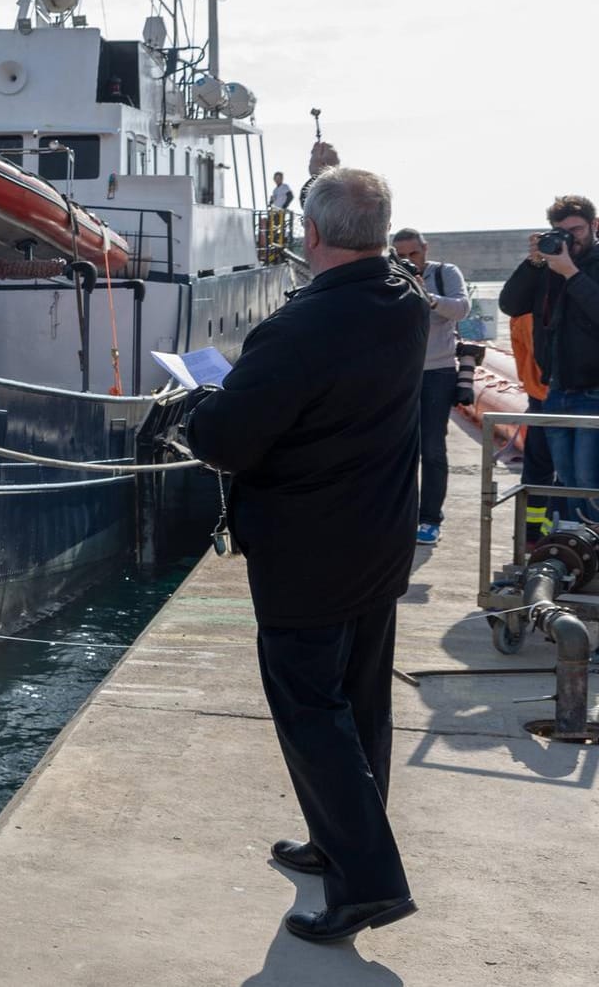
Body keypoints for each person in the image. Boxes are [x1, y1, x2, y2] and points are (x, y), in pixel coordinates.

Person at [184, 167, 423, 943]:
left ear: (309, 234)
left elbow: (226, 440)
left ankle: (371, 883)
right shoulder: (405, 301)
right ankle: (339, 841)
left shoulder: (297, 328)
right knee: (360, 702)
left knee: (311, 710)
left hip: (309, 551)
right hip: (377, 539)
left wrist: (195, 407)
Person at [498, 195, 599, 524]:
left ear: (594, 226)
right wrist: (534, 263)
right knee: (567, 481)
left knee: (588, 481)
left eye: (577, 229)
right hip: (555, 390)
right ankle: (573, 553)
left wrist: (571, 273)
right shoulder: (549, 267)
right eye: (561, 231)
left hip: (593, 391)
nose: (570, 238)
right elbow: (511, 304)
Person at [391, 228, 468, 544]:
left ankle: (430, 518)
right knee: (396, 449)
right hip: (400, 375)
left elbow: (462, 308)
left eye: (414, 254)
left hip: (437, 373)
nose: (410, 261)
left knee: (433, 448)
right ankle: (400, 515)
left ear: (425, 249)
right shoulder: (390, 278)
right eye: (401, 256)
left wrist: (429, 297)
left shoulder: (444, 273)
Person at [511, 313, 554, 542]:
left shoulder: (529, 299)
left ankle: (530, 536)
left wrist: (528, 381)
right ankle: (552, 534)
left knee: (538, 467)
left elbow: (519, 343)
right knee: (572, 474)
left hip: (538, 394)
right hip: (570, 395)